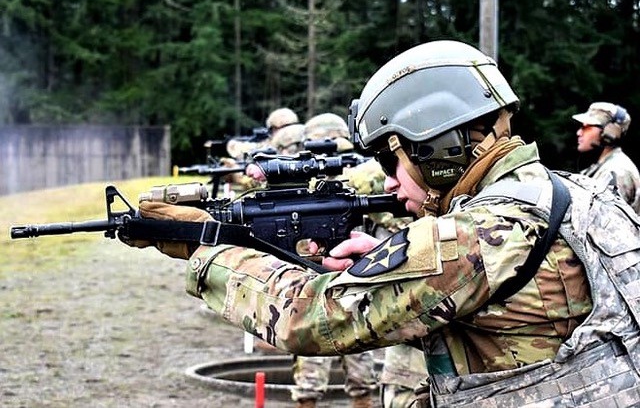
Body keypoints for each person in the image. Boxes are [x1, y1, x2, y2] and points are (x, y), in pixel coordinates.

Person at [124, 40, 640, 407]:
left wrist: (207, 250)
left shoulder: (482, 230)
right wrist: (379, 266)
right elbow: (519, 326)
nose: (390, 182)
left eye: (392, 159)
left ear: (436, 148)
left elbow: (313, 318)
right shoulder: (579, 194)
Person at [290, 113, 378, 408]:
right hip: (354, 281)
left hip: (323, 282)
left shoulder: (320, 176)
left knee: (312, 366)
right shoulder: (365, 172)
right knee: (359, 365)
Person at [572, 102, 640, 213]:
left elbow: (600, 222)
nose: (579, 132)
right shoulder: (603, 167)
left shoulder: (617, 172)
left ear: (610, 132)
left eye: (587, 127)